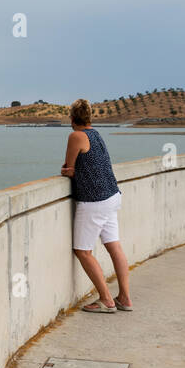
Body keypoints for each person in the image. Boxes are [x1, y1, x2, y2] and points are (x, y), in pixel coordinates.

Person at [60, 99, 132, 313]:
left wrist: (69, 170)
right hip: (111, 195)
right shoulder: (96, 135)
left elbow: (69, 168)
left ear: (72, 119)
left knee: (82, 251)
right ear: (90, 117)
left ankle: (107, 300)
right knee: (114, 246)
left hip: (94, 201)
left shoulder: (76, 136)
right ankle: (125, 298)